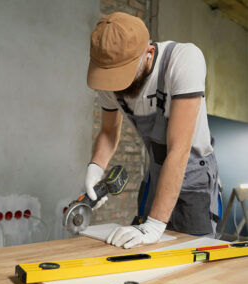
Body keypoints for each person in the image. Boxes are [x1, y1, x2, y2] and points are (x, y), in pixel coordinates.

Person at [85, 12, 222, 249]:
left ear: (148, 53)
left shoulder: (183, 60)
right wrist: (95, 168)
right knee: (144, 250)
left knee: (195, 253)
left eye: (123, 75)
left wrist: (155, 223)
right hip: (156, 171)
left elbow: (179, 149)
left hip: (194, 172)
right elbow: (108, 132)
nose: (116, 85)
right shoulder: (108, 78)